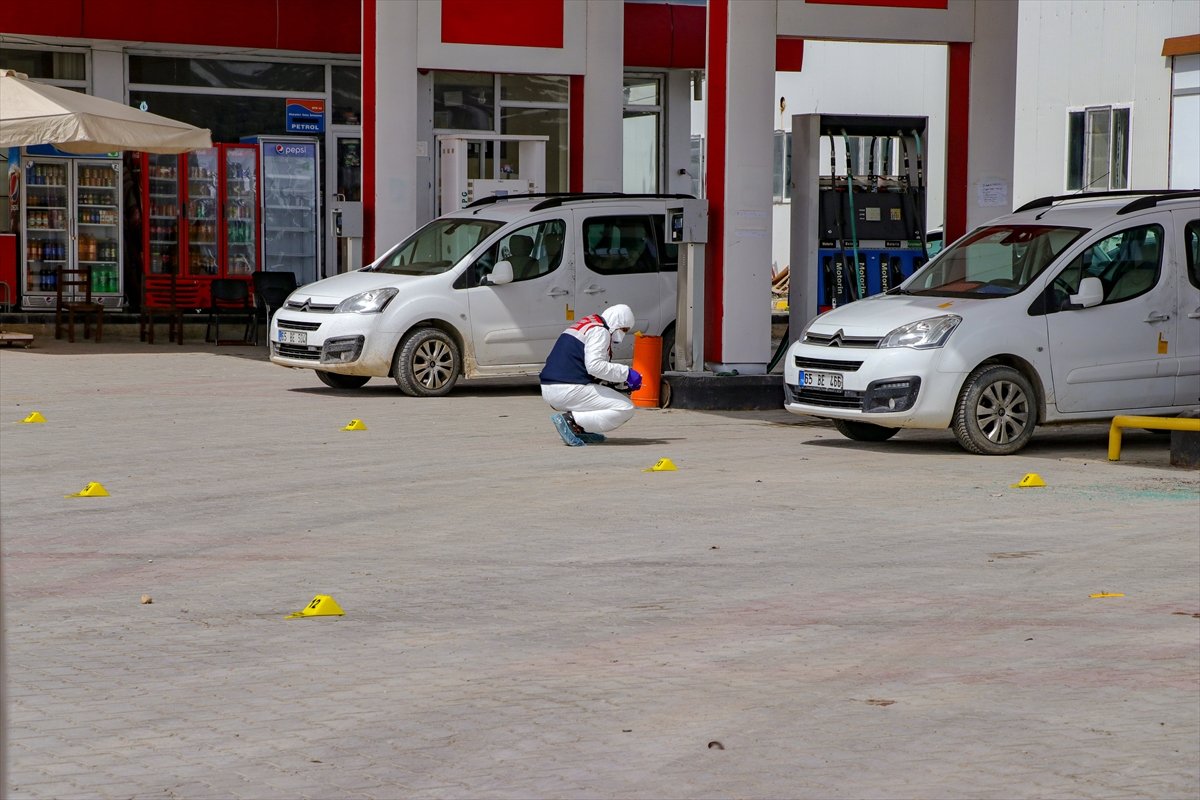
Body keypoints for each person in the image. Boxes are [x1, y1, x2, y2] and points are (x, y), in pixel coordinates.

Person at [539, 304, 642, 446]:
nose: (623, 334)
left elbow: (585, 367)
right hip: (567, 388)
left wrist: (618, 383)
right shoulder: (600, 331)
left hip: (554, 386)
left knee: (612, 396)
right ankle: (572, 421)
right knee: (625, 408)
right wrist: (627, 373)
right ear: (617, 322)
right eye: (624, 329)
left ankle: (579, 428)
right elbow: (594, 366)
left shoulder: (588, 324)